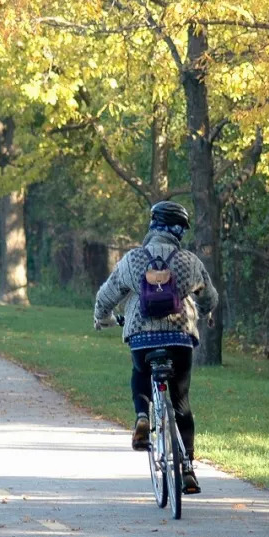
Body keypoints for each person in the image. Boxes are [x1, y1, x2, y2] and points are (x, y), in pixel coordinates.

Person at [92, 200, 218, 494]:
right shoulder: (189, 261)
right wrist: (204, 311)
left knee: (139, 372)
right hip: (179, 339)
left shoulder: (133, 260)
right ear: (179, 231)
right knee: (181, 402)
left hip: (141, 338)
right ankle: (187, 469)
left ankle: (142, 417)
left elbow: (106, 297)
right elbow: (209, 298)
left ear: (153, 226)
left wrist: (103, 319)